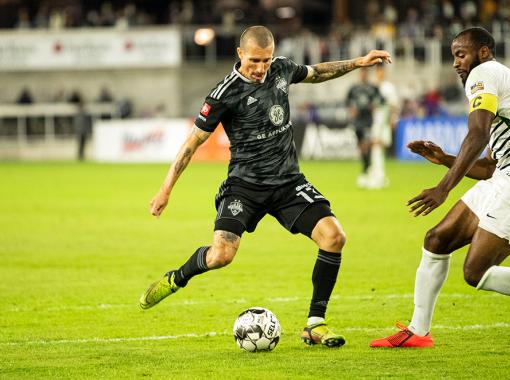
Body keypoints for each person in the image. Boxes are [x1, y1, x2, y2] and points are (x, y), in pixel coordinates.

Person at [139, 25, 392, 348]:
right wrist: (165, 190)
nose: (261, 68)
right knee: (221, 255)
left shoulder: (282, 69)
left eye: (266, 61)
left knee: (334, 237)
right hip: (244, 187)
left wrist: (358, 62)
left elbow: (316, 73)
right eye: (255, 61)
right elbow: (192, 144)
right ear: (240, 54)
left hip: (288, 183)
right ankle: (177, 278)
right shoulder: (223, 94)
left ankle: (315, 323)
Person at [370, 27, 510, 350]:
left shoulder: (484, 73)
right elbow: (490, 165)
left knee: (476, 271)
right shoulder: (499, 79)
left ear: (484, 52)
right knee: (437, 239)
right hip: (506, 175)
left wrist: (443, 188)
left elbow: (477, 135)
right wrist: (446, 159)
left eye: (461, 54)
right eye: (453, 57)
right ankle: (419, 331)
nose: (456, 63)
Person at [346, 67, 383, 188]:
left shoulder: (372, 88)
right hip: (357, 122)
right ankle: (366, 167)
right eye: (361, 73)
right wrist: (351, 110)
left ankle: (366, 170)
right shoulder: (354, 88)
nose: (363, 75)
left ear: (367, 74)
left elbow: (381, 101)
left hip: (368, 121)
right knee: (361, 146)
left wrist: (374, 105)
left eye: (365, 73)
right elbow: (347, 102)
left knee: (367, 145)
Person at [366, 64, 400, 189]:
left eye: (380, 71)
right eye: (377, 72)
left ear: (383, 72)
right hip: (375, 121)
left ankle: (378, 177)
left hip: (383, 122)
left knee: (378, 147)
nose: (379, 74)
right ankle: (377, 175)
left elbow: (394, 105)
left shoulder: (388, 87)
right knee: (376, 148)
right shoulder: (374, 87)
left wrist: (393, 120)